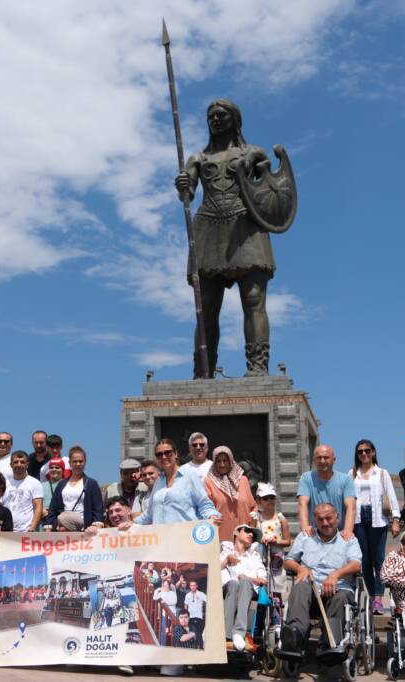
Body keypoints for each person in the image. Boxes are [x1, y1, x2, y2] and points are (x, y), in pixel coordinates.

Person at [173, 99, 292, 377]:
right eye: (211, 116)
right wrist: (183, 185)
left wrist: (257, 165)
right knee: (207, 308)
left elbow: (271, 186)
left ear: (235, 119)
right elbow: (187, 195)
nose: (216, 120)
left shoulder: (253, 152)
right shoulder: (198, 159)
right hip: (208, 228)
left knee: (253, 299)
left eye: (221, 115)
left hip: (245, 226)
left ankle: (258, 367)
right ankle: (204, 372)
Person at [280, 503, 362, 656]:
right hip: (311, 593)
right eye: (320, 519)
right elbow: (288, 560)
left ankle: (328, 644)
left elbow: (356, 565)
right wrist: (300, 568)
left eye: (329, 518)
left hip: (337, 591)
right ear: (314, 520)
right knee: (300, 586)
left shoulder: (348, 539)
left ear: (337, 517)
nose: (325, 523)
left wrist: (335, 574)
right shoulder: (305, 537)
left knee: (342, 596)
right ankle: (295, 636)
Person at [349, 439, 401, 613]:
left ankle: (379, 597)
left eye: (367, 450)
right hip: (358, 517)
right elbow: (347, 498)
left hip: (377, 516)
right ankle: (372, 596)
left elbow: (391, 496)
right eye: (360, 451)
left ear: (373, 452)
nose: (364, 454)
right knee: (365, 560)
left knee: (379, 559)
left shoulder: (381, 473)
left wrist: (395, 519)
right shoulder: (352, 473)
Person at [125, 439, 221, 528]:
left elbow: (204, 504)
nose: (164, 457)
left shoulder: (189, 475)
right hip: (161, 541)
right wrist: (133, 524)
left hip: (185, 539)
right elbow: (149, 514)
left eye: (168, 453)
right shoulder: (158, 482)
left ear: (175, 454)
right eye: (159, 454)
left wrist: (212, 516)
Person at [220, 523, 267, 651]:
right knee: (233, 583)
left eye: (252, 533)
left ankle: (238, 633)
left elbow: (263, 580)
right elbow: (213, 573)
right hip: (227, 590)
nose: (251, 534)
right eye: (247, 530)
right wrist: (226, 562)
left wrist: (247, 578)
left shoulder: (254, 557)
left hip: (248, 589)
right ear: (236, 533)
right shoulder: (225, 552)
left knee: (244, 582)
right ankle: (227, 634)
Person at [297, 445, 355, 540]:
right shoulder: (306, 478)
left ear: (334, 459)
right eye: (319, 458)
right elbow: (302, 503)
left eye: (326, 457)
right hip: (314, 534)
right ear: (314, 460)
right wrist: (305, 527)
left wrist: (348, 530)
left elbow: (351, 506)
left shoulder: (346, 479)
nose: (322, 461)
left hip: (340, 534)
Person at [204, 445, 257, 540]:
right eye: (218, 461)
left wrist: (252, 529)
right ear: (214, 463)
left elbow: (253, 507)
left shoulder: (243, 480)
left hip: (244, 539)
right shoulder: (209, 482)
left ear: (231, 461)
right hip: (221, 538)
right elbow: (206, 509)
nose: (222, 464)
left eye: (225, 460)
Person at [45, 446, 103, 531]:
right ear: (70, 463)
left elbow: (98, 509)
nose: (78, 464)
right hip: (63, 529)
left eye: (80, 461)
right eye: (75, 461)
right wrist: (49, 527)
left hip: (84, 529)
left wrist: (96, 526)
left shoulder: (92, 484)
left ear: (85, 462)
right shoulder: (61, 484)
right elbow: (53, 508)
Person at [252, 482, 291, 603]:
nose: (269, 500)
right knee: (260, 585)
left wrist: (276, 541)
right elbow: (250, 536)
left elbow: (288, 541)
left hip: (276, 559)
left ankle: (276, 616)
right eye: (265, 498)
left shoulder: (281, 519)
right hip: (260, 556)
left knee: (276, 588)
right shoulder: (255, 517)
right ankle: (260, 615)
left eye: (272, 497)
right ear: (259, 501)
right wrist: (259, 538)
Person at [2, 451, 43, 532]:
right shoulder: (4, 484)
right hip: (6, 531)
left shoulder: (35, 483)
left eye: (22, 462)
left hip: (26, 531)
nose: (19, 464)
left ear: (27, 465)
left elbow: (38, 507)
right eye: (16, 462)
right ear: (11, 465)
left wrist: (33, 527)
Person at [183, 579, 209, 646]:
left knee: (197, 633)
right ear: (189, 586)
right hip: (190, 617)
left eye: (194, 585)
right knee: (191, 634)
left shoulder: (201, 594)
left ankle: (199, 647)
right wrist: (185, 616)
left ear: (197, 586)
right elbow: (186, 605)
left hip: (198, 617)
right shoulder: (187, 595)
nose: (193, 587)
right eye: (191, 585)